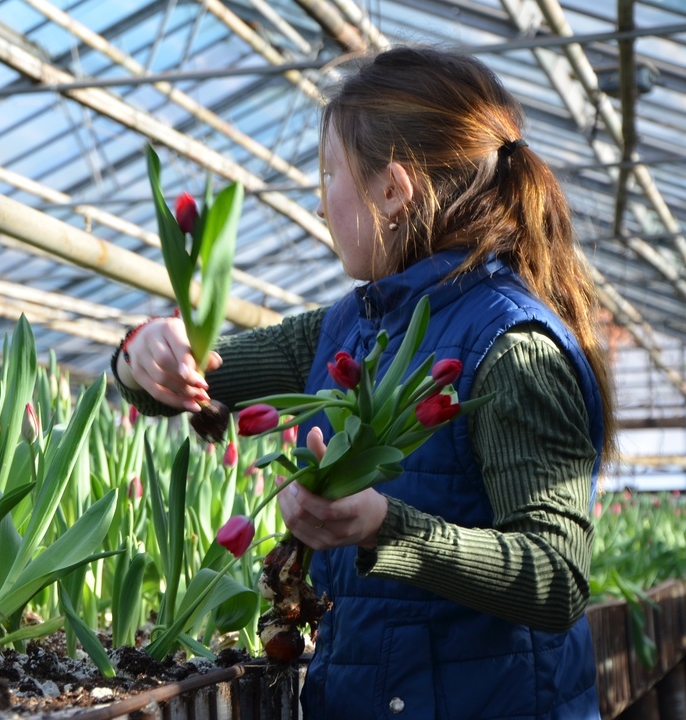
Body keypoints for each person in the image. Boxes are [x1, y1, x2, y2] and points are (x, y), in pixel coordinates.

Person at [114, 46, 612, 720]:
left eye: (328, 175)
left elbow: (557, 580)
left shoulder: (512, 347)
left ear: (392, 190)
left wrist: (387, 529)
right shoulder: (348, 328)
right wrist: (143, 352)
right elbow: (193, 379)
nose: (320, 206)